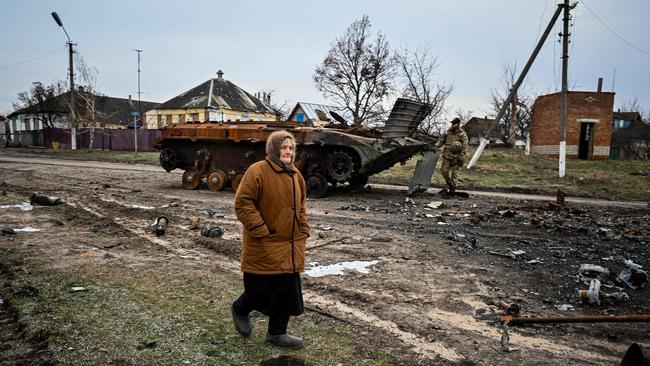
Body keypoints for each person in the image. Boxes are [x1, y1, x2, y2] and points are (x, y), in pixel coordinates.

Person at [231, 130, 310, 349]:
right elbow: (243, 203)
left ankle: (277, 334)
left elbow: (301, 206)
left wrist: (303, 228)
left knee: (287, 292)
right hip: (263, 243)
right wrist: (261, 229)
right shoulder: (257, 171)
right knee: (259, 291)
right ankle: (239, 309)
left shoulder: (296, 175)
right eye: (284, 147)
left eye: (291, 148)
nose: (288, 151)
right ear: (274, 149)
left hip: (290, 244)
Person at [435, 117, 468, 194]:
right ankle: (450, 184)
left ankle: (453, 189)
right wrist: (435, 146)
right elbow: (441, 140)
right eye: (452, 123)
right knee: (444, 171)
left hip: (456, 157)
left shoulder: (462, 134)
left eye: (455, 123)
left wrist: (462, 154)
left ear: (458, 124)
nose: (453, 125)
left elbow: (465, 145)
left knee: (454, 174)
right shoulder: (447, 132)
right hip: (447, 155)